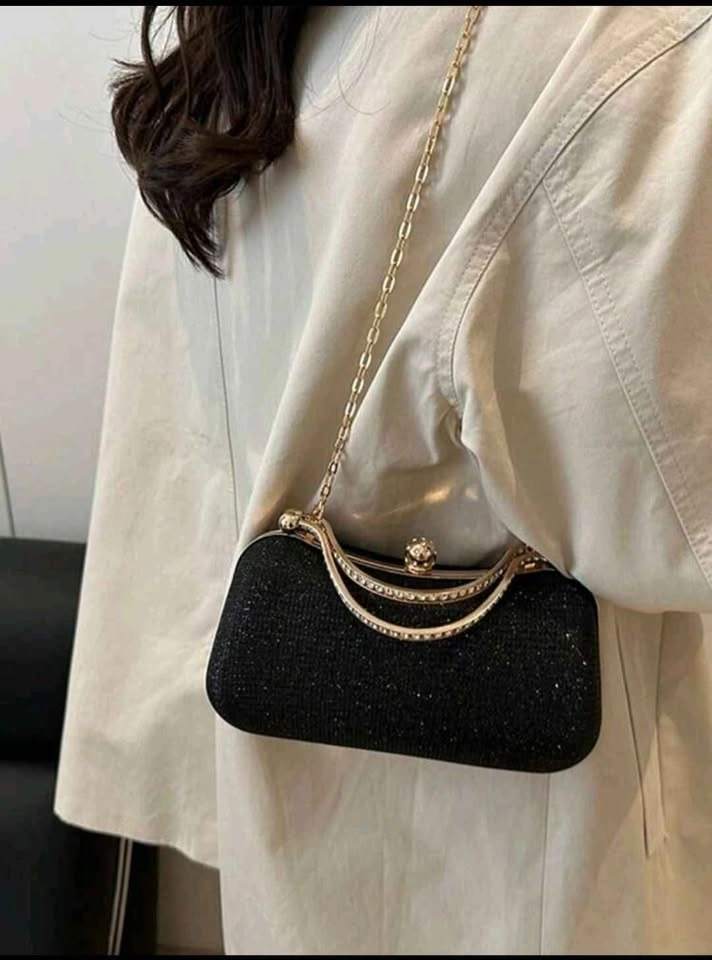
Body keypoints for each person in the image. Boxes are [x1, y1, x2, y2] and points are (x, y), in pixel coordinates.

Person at [55, 6, 712, 955]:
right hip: (527, 872)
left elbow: (176, 442)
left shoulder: (229, 48)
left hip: (292, 824)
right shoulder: (610, 43)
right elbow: (667, 502)